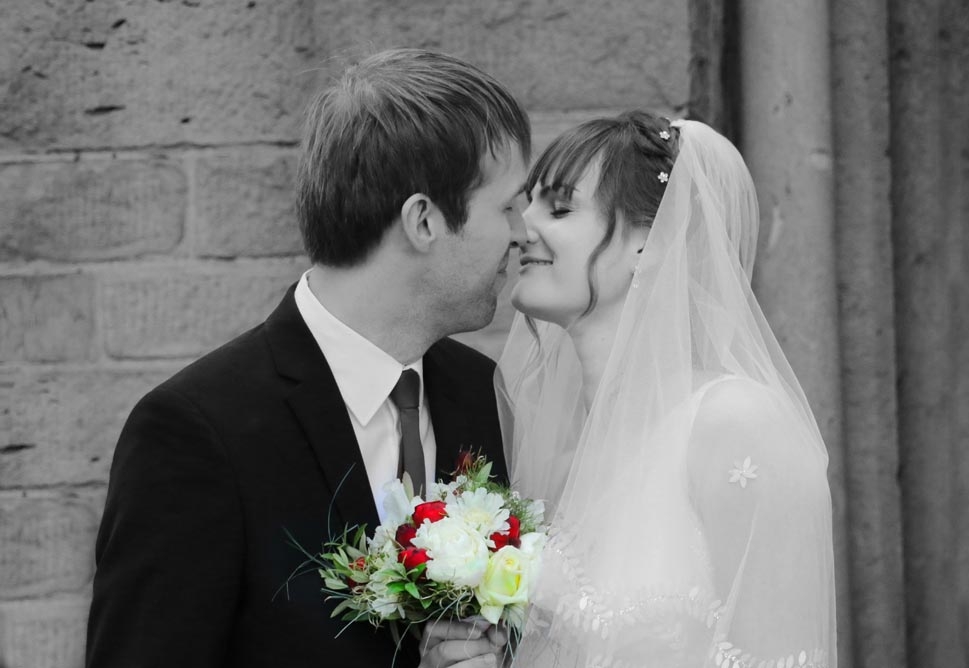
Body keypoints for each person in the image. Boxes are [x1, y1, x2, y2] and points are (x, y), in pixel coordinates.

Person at [87, 48, 529, 668]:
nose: (523, 232)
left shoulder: (483, 392)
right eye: (508, 206)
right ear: (424, 221)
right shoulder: (198, 431)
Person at [495, 111, 837, 666]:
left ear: (650, 244)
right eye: (525, 204)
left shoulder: (734, 423)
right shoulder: (559, 445)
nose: (521, 228)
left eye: (558, 208)